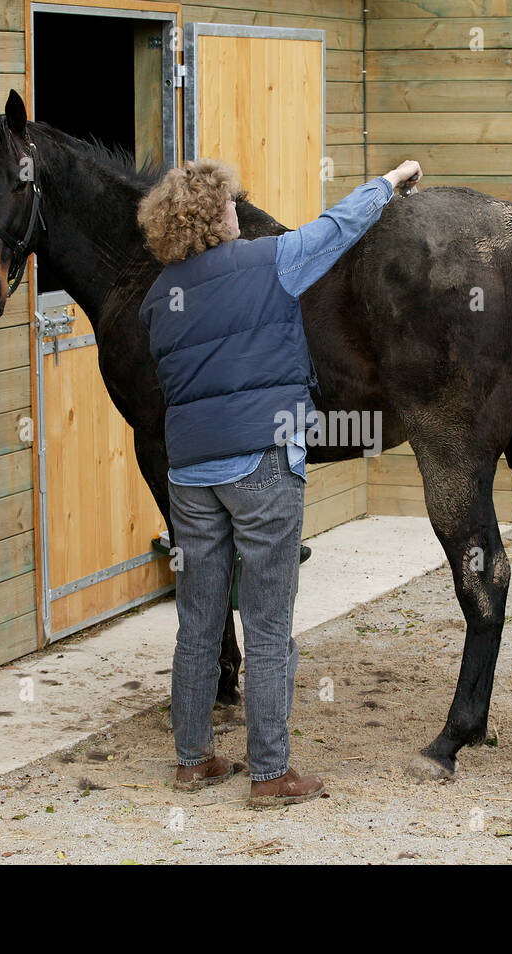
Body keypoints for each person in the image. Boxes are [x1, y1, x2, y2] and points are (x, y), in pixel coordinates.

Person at [137, 157, 422, 807]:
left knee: (199, 620)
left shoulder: (160, 298)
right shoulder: (268, 262)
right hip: (262, 460)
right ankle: (270, 773)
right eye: (234, 201)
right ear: (218, 214)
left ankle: (192, 760)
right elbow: (337, 226)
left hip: (190, 473)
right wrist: (390, 180)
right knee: (266, 623)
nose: (242, 208)